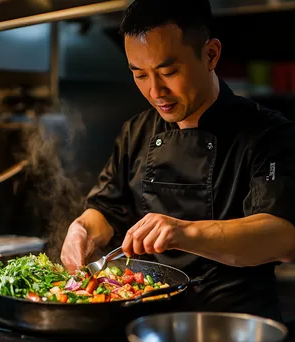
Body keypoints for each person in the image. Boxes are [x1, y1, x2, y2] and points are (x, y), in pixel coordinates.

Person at [60, 0, 295, 321]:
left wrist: (183, 232)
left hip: (231, 323)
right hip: (148, 320)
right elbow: (106, 209)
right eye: (140, 74)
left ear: (211, 54)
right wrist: (82, 230)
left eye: (168, 72)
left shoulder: (268, 132)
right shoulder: (137, 130)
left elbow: (283, 238)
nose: (155, 90)